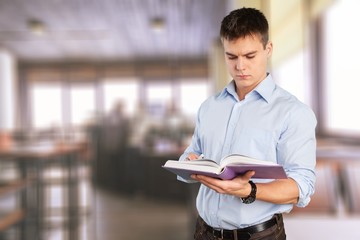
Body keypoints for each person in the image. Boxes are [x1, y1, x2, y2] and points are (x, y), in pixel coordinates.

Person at [178, 7, 317, 240]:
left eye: (249, 56)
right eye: (231, 56)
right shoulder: (209, 107)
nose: (240, 66)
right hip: (204, 232)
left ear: (268, 49)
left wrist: (249, 190)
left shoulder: (293, 112)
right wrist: (188, 164)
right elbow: (192, 153)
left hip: (259, 236)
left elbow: (301, 187)